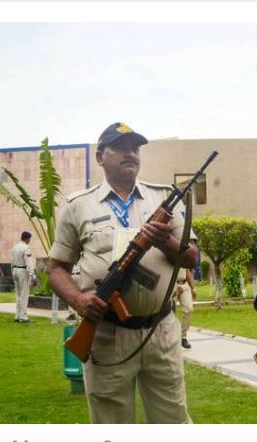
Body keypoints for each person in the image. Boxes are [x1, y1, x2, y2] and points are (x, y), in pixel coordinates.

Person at [47, 122, 198, 424]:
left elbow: (191, 257)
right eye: (120, 147)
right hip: (105, 333)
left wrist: (164, 241)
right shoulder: (79, 206)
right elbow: (56, 269)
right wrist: (77, 300)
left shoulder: (163, 198)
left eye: (135, 148)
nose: (131, 153)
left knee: (173, 421)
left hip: (160, 331)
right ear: (100, 157)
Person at [11, 231, 35, 322]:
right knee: (24, 294)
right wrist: (32, 274)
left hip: (15, 270)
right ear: (27, 238)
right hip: (22, 271)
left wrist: (12, 271)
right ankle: (23, 316)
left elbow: (12, 261)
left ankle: (17, 315)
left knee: (18, 294)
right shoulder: (26, 248)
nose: (30, 241)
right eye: (29, 239)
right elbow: (28, 262)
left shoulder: (15, 247)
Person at [176, 267, 197, 349]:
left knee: (189, 309)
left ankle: (183, 337)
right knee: (169, 311)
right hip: (171, 284)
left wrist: (193, 288)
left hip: (185, 285)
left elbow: (187, 271)